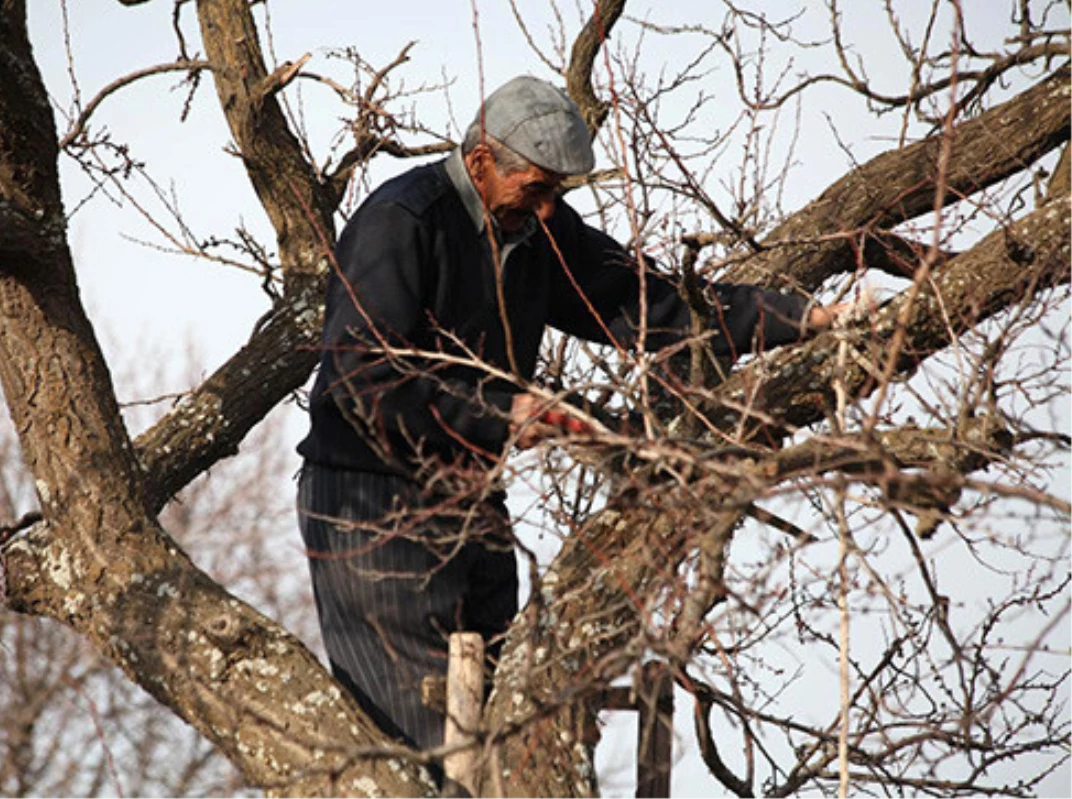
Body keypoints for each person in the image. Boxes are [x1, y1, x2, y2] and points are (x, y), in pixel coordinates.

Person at [296, 76, 843, 769]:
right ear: (481, 162)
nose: (550, 208)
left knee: (515, 724)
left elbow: (650, 300)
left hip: (471, 493)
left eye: (561, 193)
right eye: (536, 188)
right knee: (428, 747)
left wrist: (805, 320)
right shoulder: (403, 221)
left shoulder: (538, 224)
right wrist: (505, 411)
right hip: (369, 505)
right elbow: (360, 381)